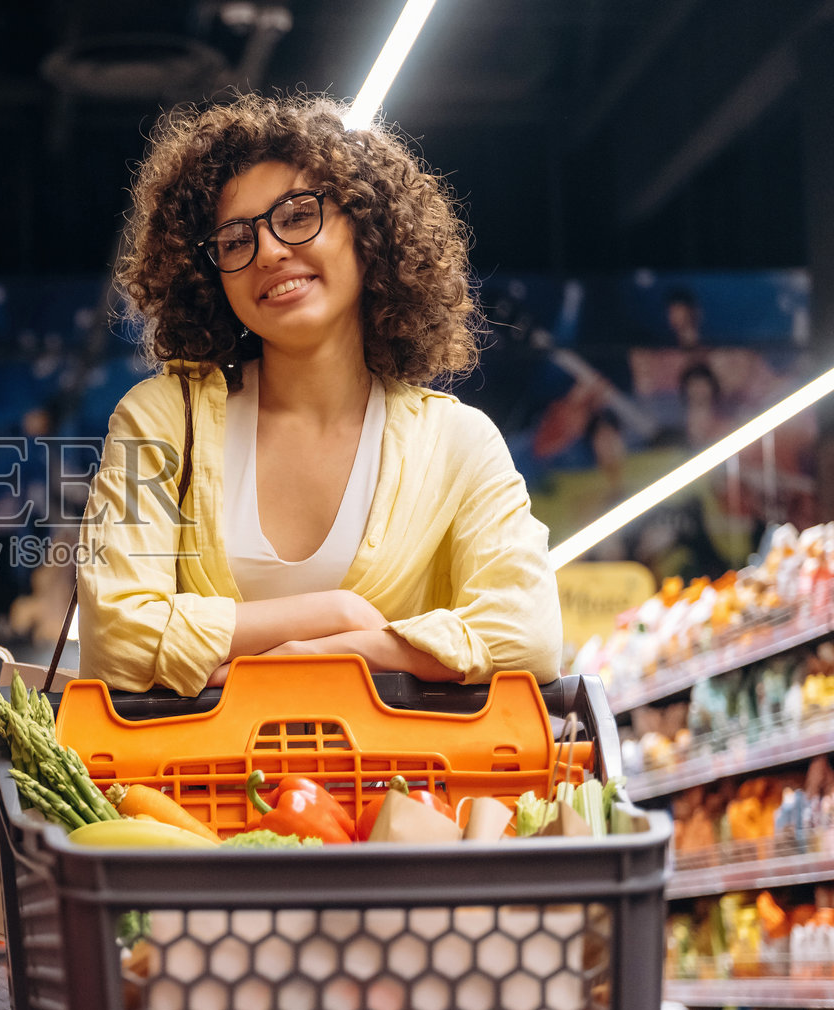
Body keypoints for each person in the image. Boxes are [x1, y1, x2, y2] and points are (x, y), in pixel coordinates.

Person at [76, 93, 561, 695]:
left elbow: (529, 633)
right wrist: (335, 614)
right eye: (234, 241)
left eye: (298, 215)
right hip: (193, 788)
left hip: (401, 788)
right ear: (212, 278)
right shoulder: (162, 420)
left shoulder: (457, 443)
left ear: (367, 229)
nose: (271, 252)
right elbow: (114, 640)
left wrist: (360, 647)